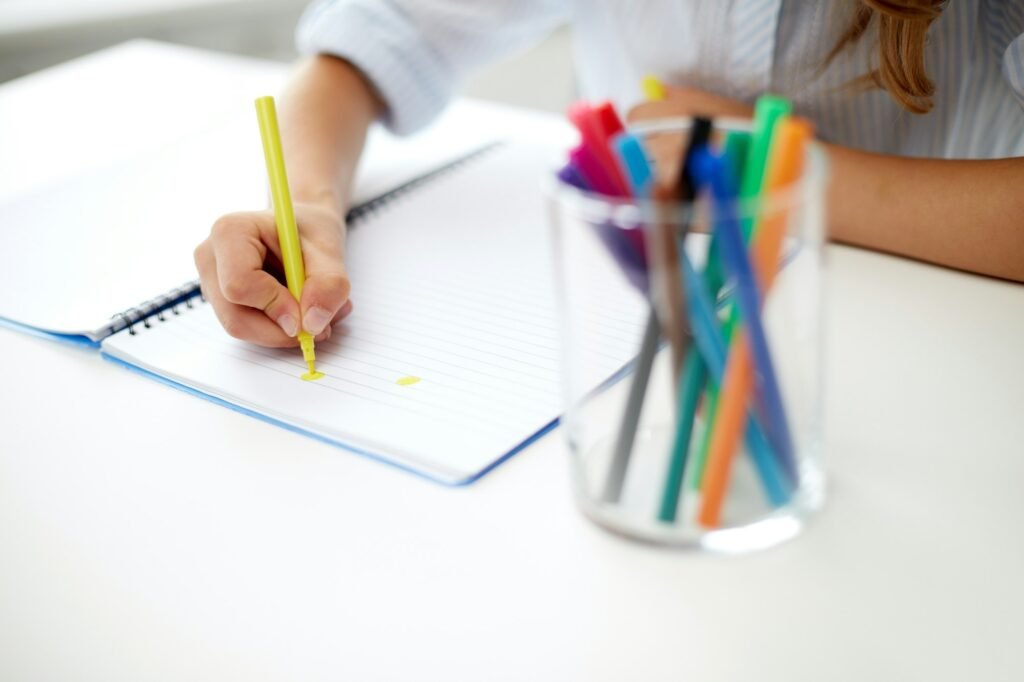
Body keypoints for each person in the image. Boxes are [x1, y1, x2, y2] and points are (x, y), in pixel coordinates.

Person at [194, 0, 1024, 349]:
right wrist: (310, 208)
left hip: (950, 342)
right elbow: (364, 49)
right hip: (632, 329)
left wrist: (790, 176)